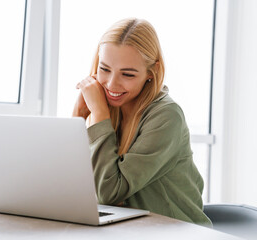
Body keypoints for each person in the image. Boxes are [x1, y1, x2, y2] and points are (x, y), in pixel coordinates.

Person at [72, 18, 211, 226]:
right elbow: (69, 182)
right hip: (126, 230)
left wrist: (99, 113)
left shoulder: (167, 116)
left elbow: (108, 192)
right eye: (104, 69)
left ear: (151, 72)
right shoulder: (111, 106)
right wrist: (78, 115)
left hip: (175, 232)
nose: (112, 84)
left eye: (127, 74)